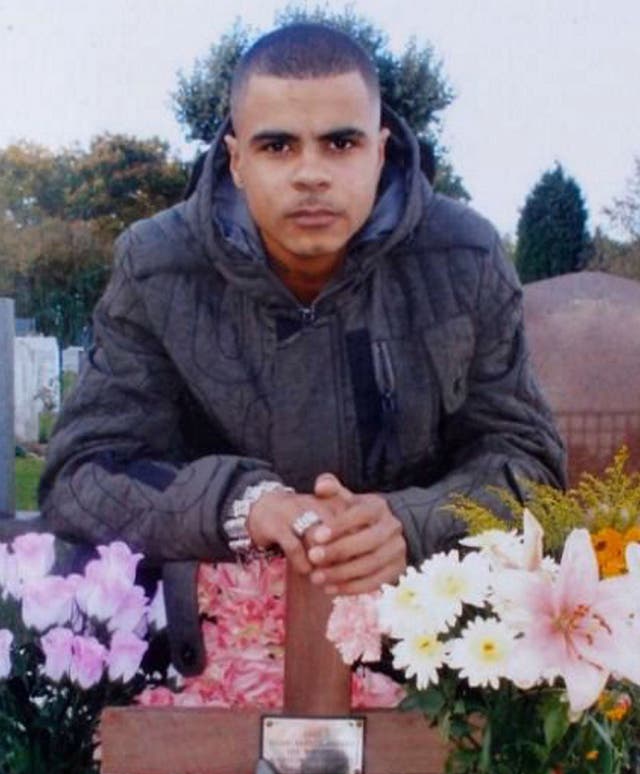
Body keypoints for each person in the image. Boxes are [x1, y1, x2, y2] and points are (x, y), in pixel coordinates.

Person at [40, 23, 565, 616]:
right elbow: (83, 475)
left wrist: (409, 523)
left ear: (379, 150)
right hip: (205, 634)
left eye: (340, 144)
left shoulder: (464, 256)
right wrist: (243, 506)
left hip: (427, 631)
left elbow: (530, 467)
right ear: (236, 160)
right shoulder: (158, 264)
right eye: (278, 146)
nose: (311, 173)